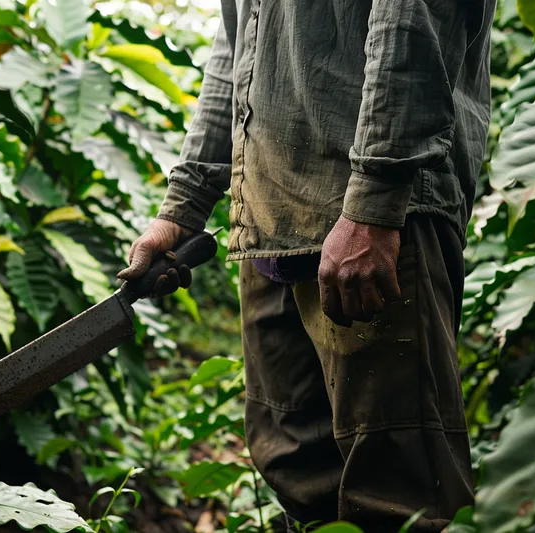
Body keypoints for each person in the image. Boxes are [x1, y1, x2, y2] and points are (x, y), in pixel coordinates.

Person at [118, 1, 496, 531]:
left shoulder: (376, 211)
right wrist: (184, 204)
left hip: (375, 220)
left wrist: (373, 202)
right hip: (272, 215)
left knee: (400, 491)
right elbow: (238, 41)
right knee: (299, 472)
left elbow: (414, 15)